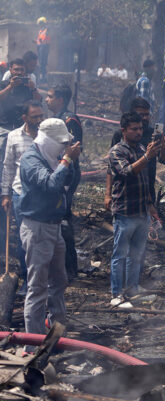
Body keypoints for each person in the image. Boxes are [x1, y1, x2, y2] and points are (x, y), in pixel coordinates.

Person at [18, 119, 80, 352]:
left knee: (59, 280)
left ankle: (57, 331)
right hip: (37, 227)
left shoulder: (53, 157)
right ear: (49, 140)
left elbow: (70, 182)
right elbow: (51, 185)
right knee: (37, 287)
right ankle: (32, 345)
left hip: (54, 226)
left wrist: (69, 163)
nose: (64, 148)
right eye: (61, 143)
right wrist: (67, 159)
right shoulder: (31, 160)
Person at [108, 112, 165, 308]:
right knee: (120, 255)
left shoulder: (142, 147)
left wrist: (151, 207)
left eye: (140, 128)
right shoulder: (117, 151)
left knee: (137, 254)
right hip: (125, 212)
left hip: (142, 212)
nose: (139, 132)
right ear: (123, 130)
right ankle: (116, 294)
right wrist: (147, 157)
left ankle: (132, 288)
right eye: (134, 129)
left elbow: (146, 179)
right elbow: (127, 172)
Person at [1, 101, 45, 281]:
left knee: (41, 238)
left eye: (41, 116)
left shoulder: (46, 136)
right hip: (20, 194)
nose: (39, 120)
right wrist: (5, 194)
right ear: (25, 118)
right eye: (35, 117)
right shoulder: (13, 136)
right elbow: (9, 166)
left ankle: (40, 279)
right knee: (23, 238)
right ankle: (27, 279)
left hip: (43, 194)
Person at [46, 84, 83, 280]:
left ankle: (70, 268)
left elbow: (74, 150)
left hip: (67, 177)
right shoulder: (55, 119)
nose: (47, 100)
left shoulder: (69, 120)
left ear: (60, 99)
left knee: (65, 220)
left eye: (50, 96)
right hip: (57, 175)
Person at [106, 97, 165, 211]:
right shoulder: (120, 134)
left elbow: (163, 159)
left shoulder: (152, 133)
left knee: (146, 224)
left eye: (147, 114)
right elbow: (111, 167)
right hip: (124, 192)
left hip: (147, 190)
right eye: (141, 114)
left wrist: (161, 141)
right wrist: (107, 194)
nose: (145, 118)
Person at [0, 59, 41, 151]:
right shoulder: (3, 84)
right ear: (10, 70)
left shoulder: (28, 87)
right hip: (4, 127)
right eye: (16, 69)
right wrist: (10, 86)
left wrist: (33, 88)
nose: (19, 72)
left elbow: (38, 102)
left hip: (22, 128)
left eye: (22, 70)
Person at [36, 18, 49, 83]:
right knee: (40, 62)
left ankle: (43, 77)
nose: (39, 25)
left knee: (43, 62)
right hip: (40, 46)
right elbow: (39, 39)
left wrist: (42, 41)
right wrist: (36, 41)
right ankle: (42, 76)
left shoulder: (47, 29)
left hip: (44, 46)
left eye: (40, 23)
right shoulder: (40, 31)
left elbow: (46, 38)